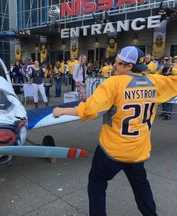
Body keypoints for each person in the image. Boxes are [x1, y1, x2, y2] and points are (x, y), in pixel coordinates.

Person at [53, 46, 177, 215]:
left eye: (118, 63)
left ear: (129, 66)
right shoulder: (155, 82)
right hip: (137, 151)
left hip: (112, 151)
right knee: (142, 188)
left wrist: (61, 111)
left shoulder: (114, 83)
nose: (114, 66)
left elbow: (89, 110)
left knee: (96, 182)